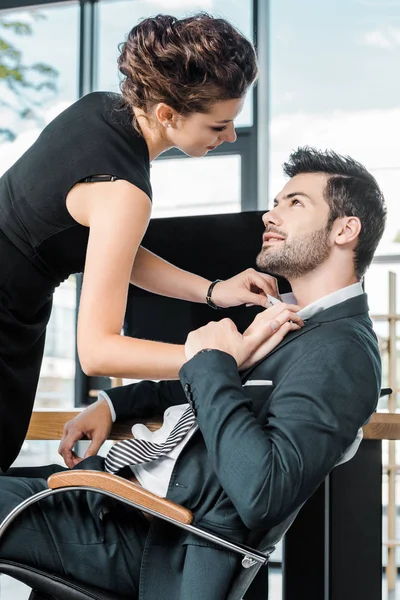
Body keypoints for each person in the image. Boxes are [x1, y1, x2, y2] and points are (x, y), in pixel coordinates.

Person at [0, 147, 386, 600]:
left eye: (294, 203)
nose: (269, 214)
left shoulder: (342, 350)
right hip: (114, 499)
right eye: (276, 202)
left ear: (346, 229)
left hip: (149, 537)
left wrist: (215, 362)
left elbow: (263, 492)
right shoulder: (295, 322)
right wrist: (114, 403)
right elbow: (213, 388)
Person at [0, 13, 284, 473]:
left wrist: (213, 291)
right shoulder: (125, 192)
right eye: (218, 126)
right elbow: (97, 352)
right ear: (168, 115)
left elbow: (111, 250)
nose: (230, 136)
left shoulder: (99, 110)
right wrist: (216, 360)